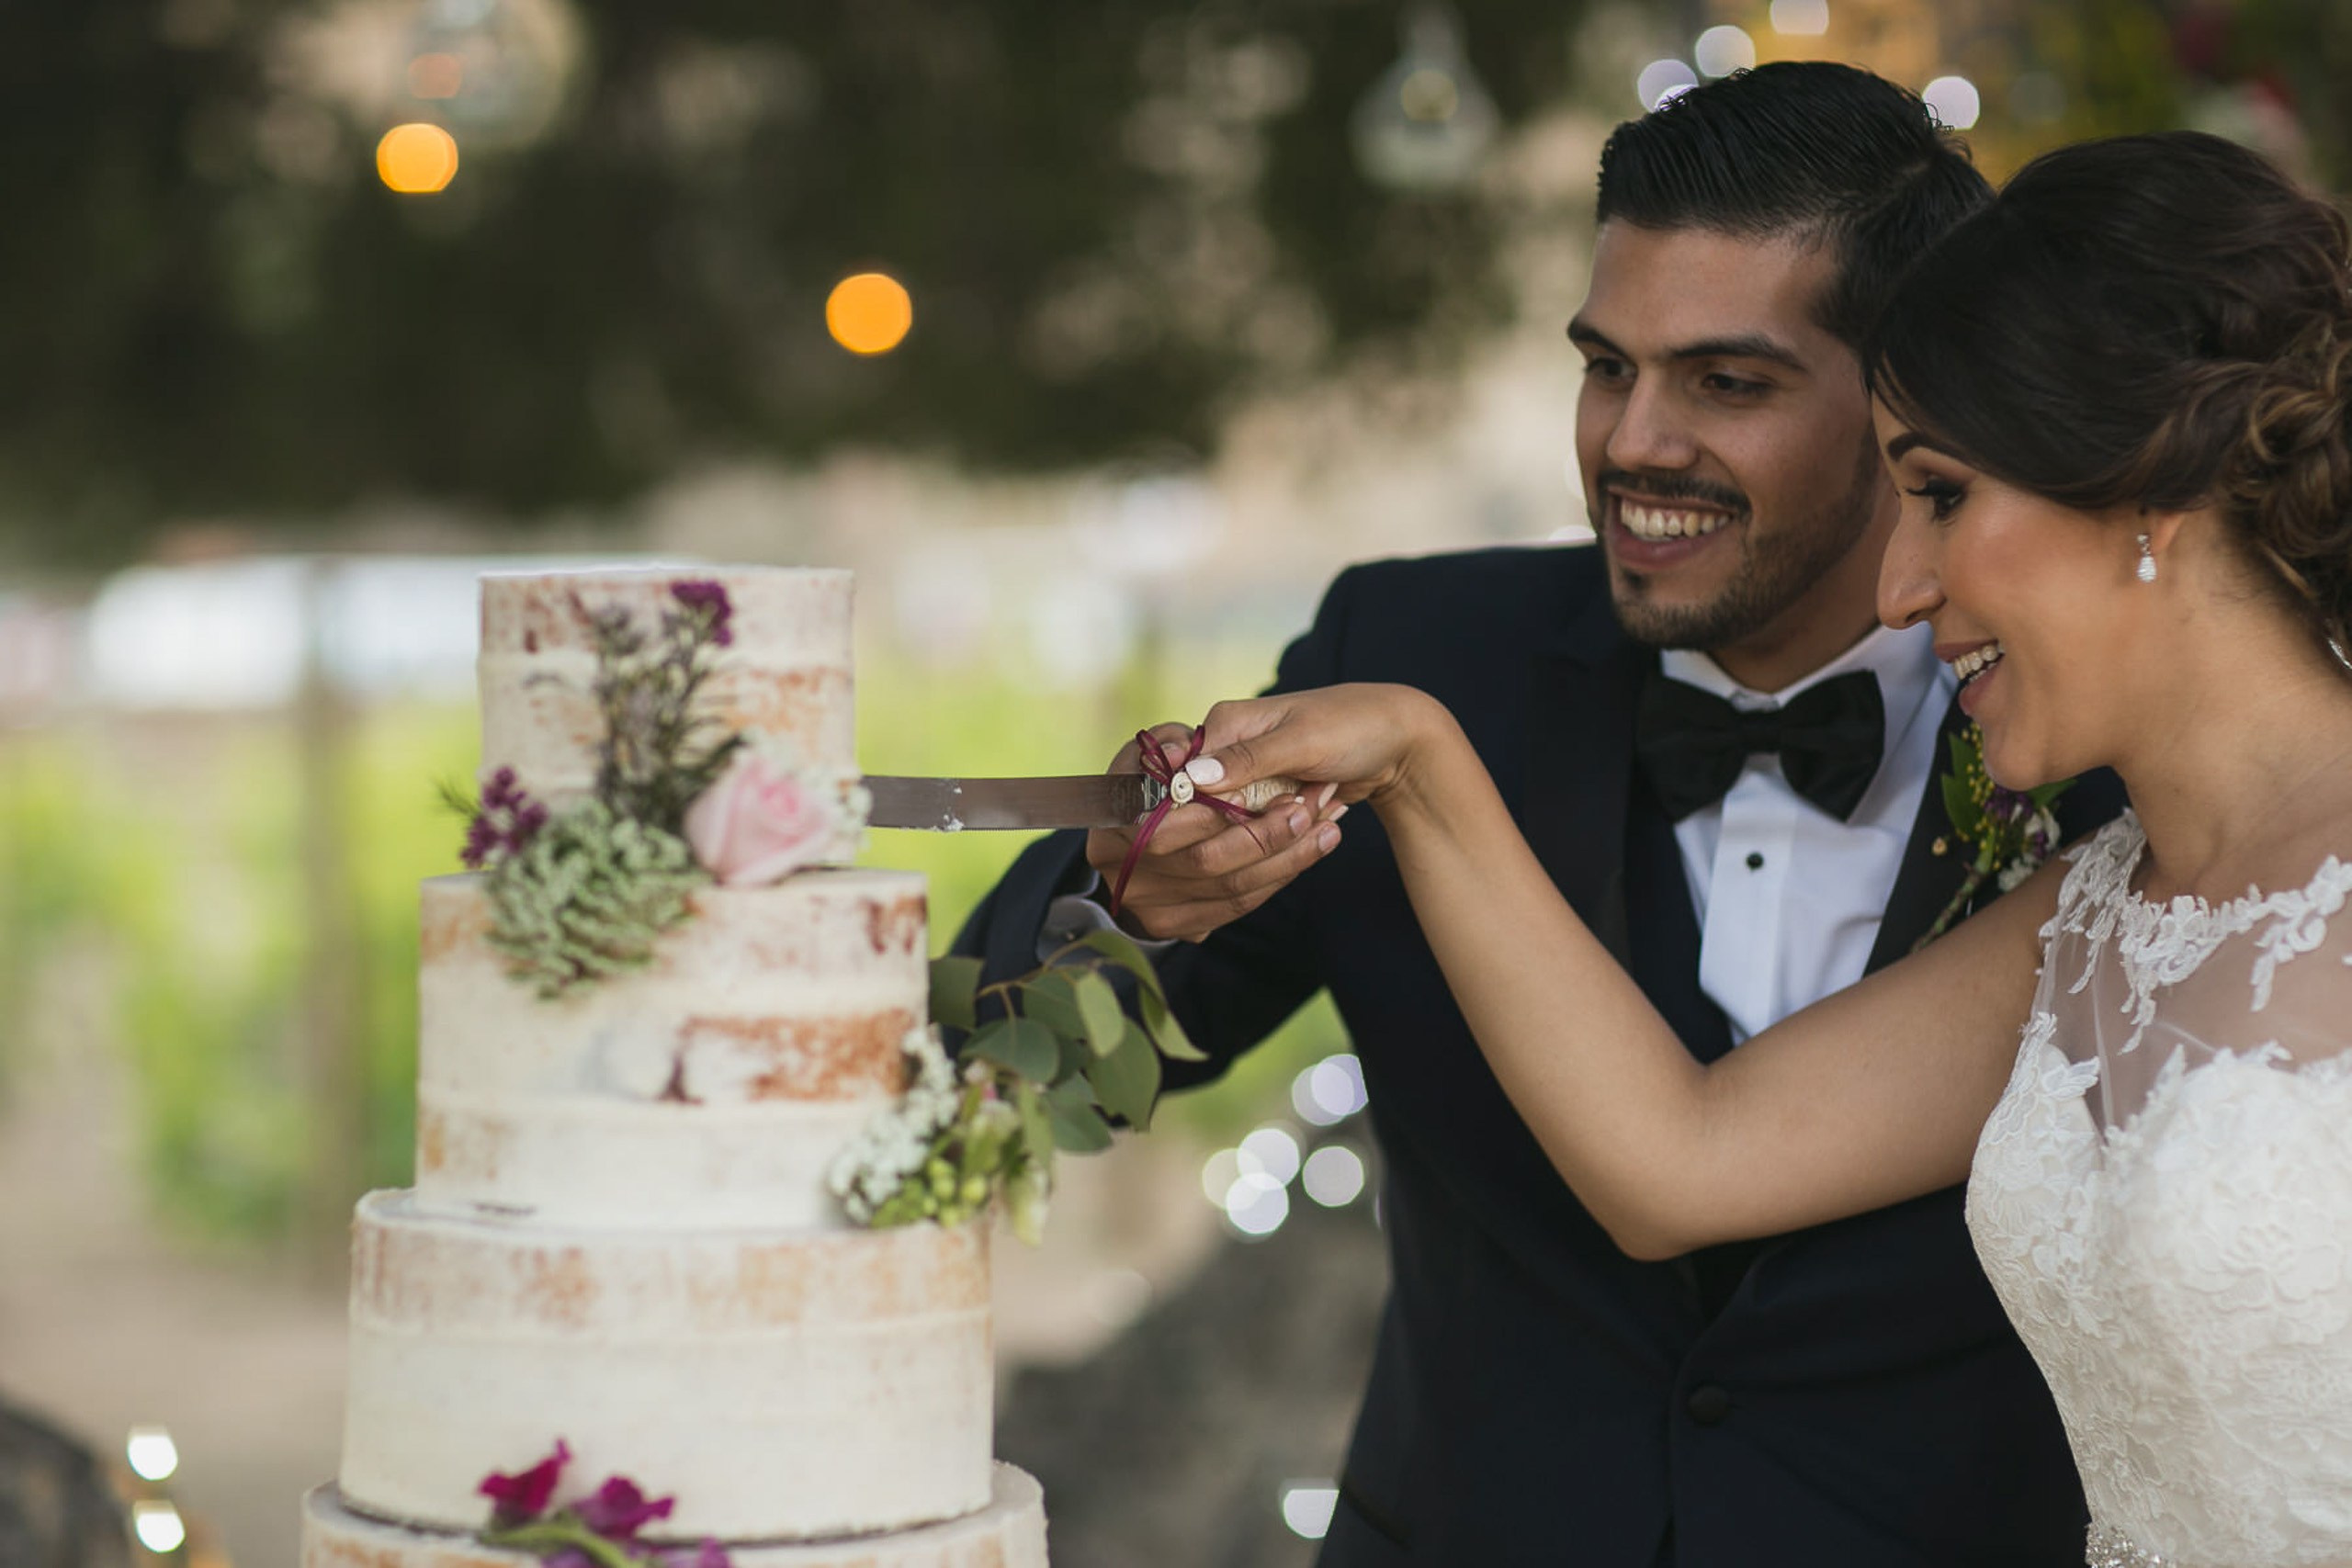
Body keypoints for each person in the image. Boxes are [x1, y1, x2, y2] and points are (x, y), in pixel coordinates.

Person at [957, 62, 2120, 1566]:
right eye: (1606, 366)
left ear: (1910, 402)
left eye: (1728, 383)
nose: (1634, 442)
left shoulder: (2094, 745)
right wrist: (1125, 910)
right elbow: (1021, 1075)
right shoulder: (1417, 654)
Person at [1182, 130, 2352, 1568]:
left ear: (2149, 490)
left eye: (1940, 494)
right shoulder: (2098, 914)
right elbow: (1678, 1162)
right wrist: (1423, 763)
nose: (1901, 586)